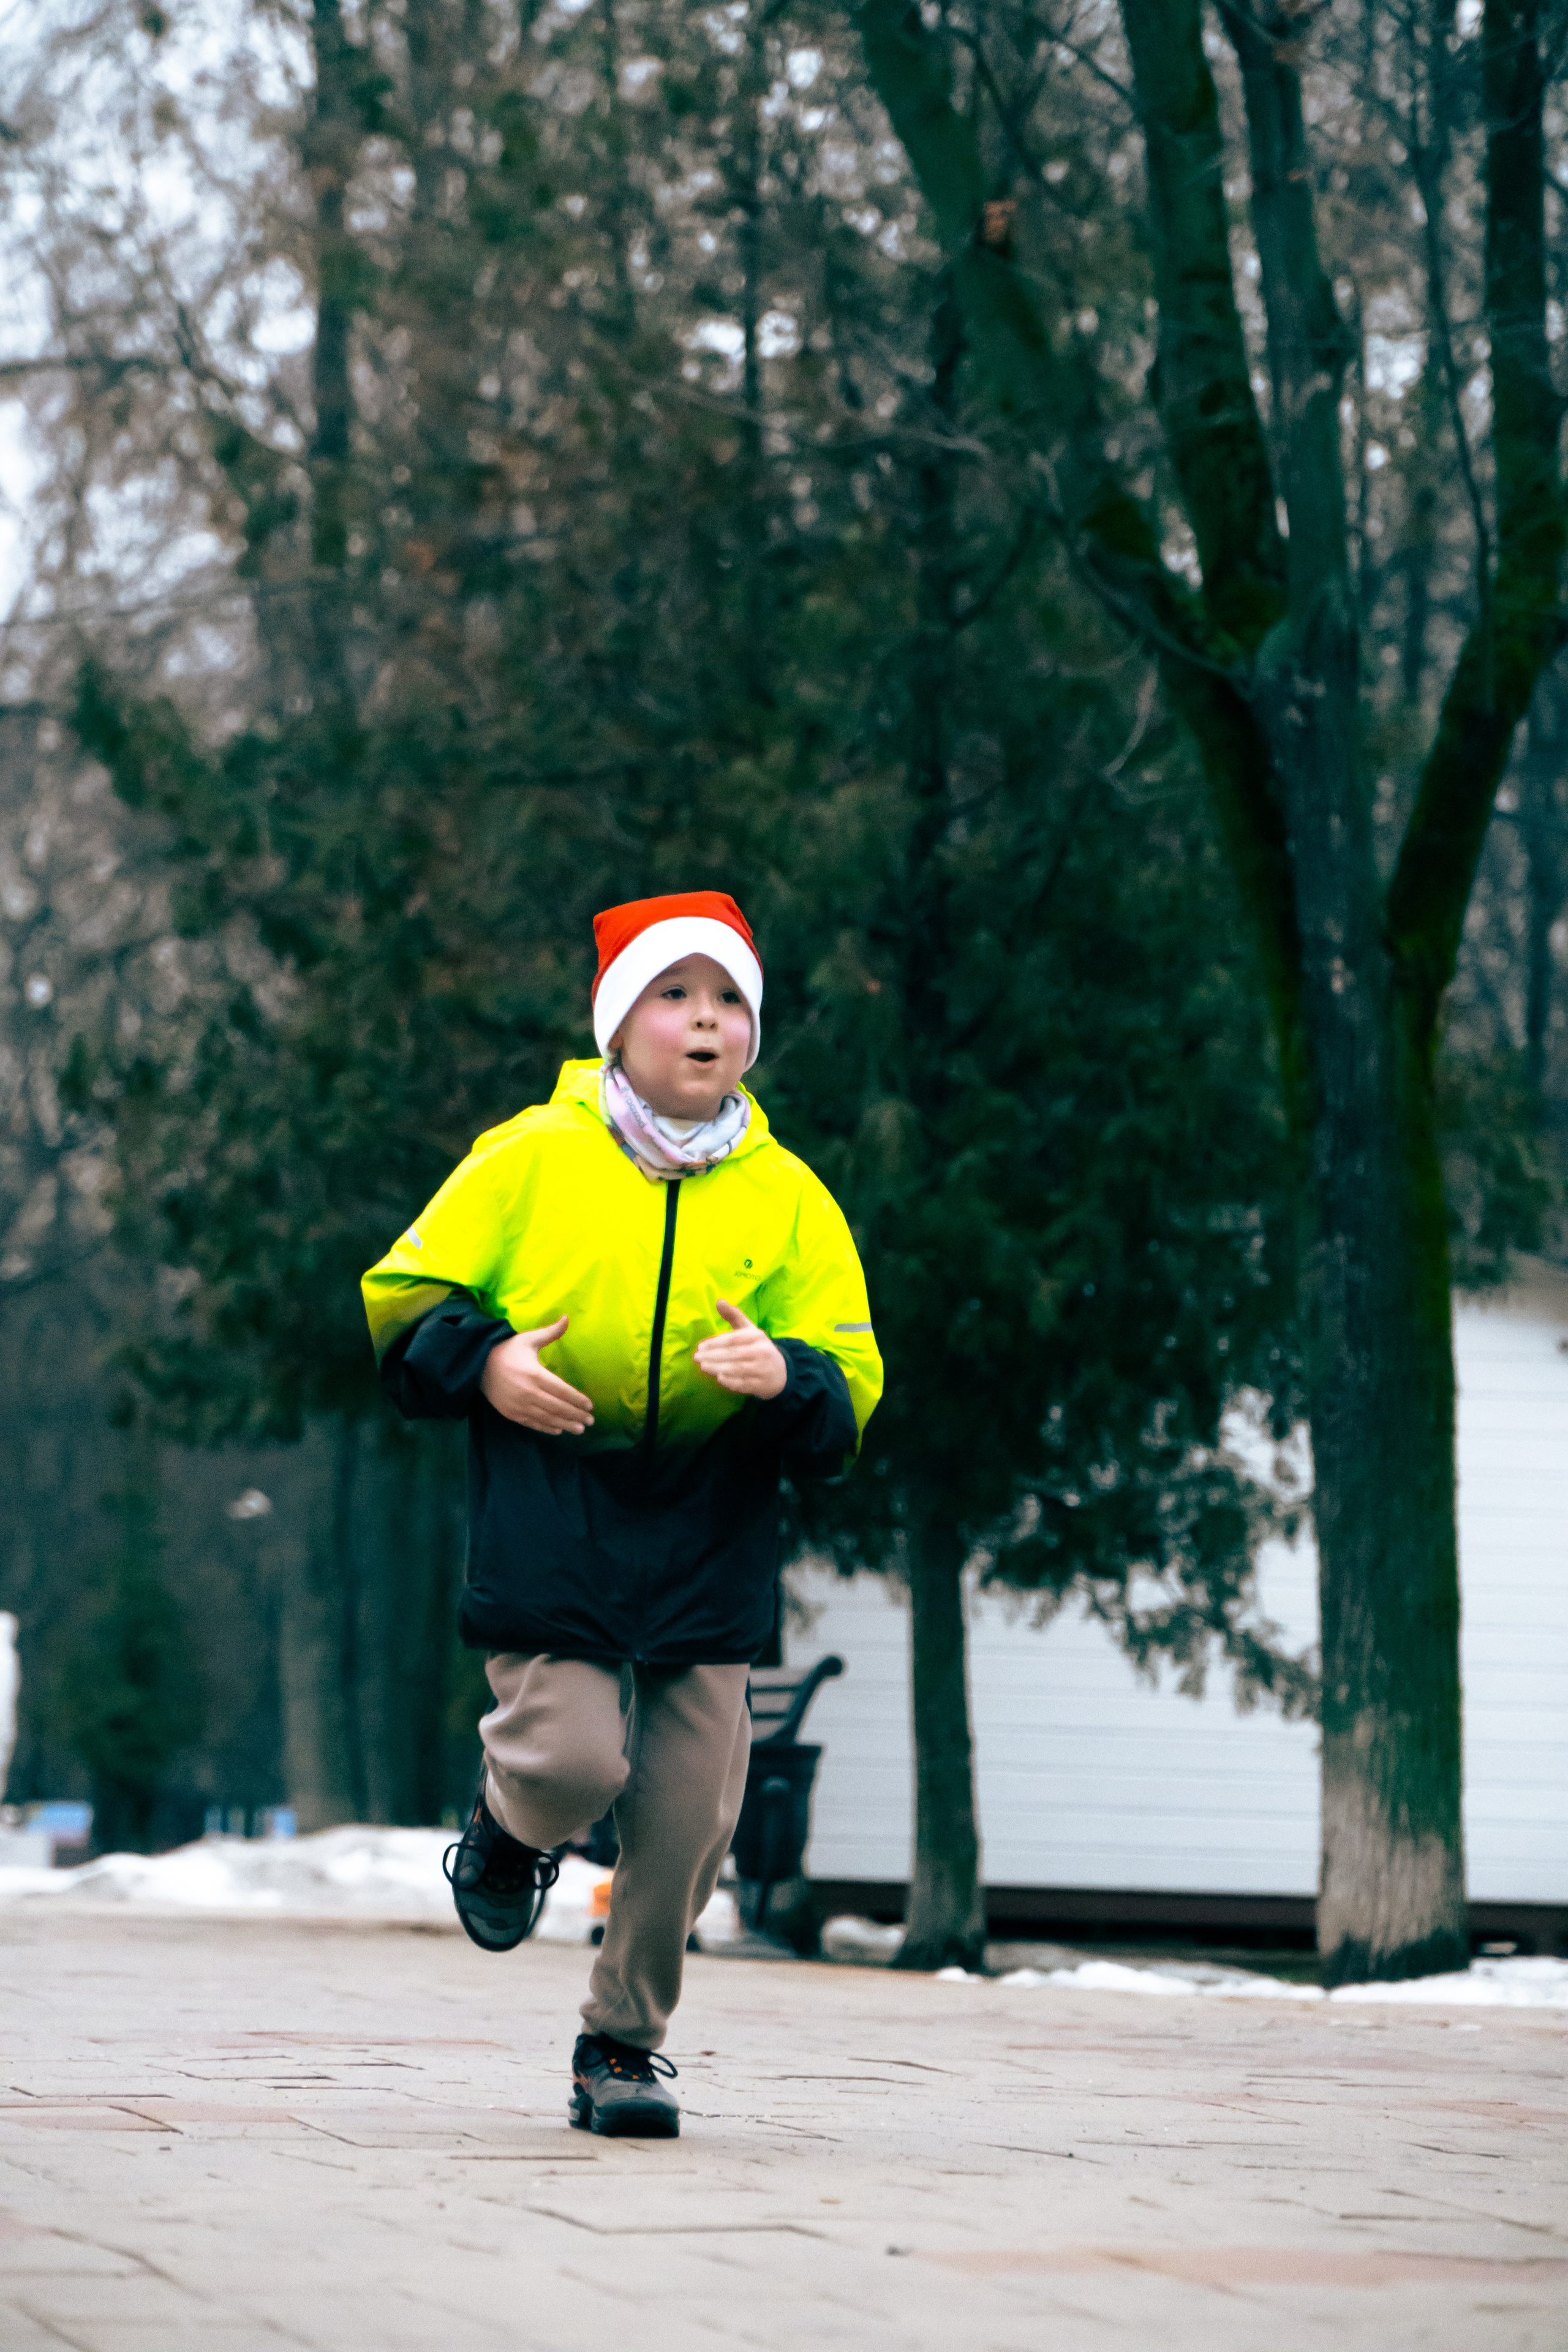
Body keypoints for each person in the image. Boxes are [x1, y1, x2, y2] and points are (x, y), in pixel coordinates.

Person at [361, 891, 882, 2137]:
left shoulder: (789, 1198)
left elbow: (850, 1372)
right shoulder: (527, 1158)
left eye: (727, 1002)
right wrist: (485, 1363)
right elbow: (400, 1296)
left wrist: (790, 1380)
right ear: (617, 1022)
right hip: (556, 1496)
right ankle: (503, 1832)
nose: (704, 1022)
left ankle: (622, 2047)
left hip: (710, 1522)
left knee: (692, 1813)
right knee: (572, 1760)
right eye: (675, 995)